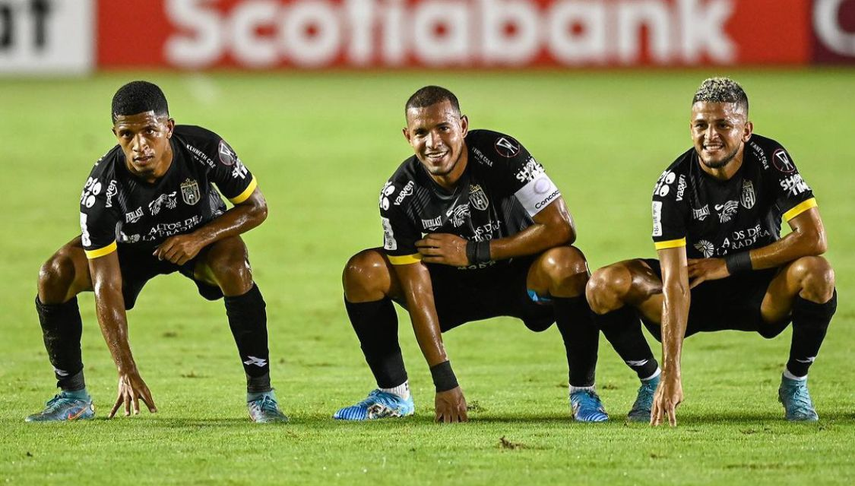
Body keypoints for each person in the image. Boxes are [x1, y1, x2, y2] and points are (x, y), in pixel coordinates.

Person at [335, 85, 606, 423]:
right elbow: (417, 290)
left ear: (462, 126)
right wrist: (444, 381)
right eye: (421, 132)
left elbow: (562, 227)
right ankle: (393, 396)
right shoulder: (398, 194)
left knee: (568, 263)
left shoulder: (501, 153)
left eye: (443, 128)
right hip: (450, 291)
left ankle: (583, 393)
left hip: (519, 276)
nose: (433, 142)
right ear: (408, 136)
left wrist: (473, 251)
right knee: (364, 271)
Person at [27, 81, 288, 423]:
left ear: (168, 127)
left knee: (235, 266)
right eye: (127, 134)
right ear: (115, 134)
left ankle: (261, 396)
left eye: (150, 130)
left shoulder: (203, 148)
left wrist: (198, 238)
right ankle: (72, 396)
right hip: (130, 249)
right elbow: (107, 285)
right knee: (54, 273)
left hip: (199, 240)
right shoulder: (102, 191)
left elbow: (256, 208)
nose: (139, 145)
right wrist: (125, 368)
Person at [586, 77, 836, 426]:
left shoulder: (770, 160)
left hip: (761, 291)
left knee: (818, 273)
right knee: (603, 284)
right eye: (701, 125)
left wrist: (729, 264)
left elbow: (813, 238)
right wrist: (672, 371)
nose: (710, 135)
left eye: (723, 125)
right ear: (690, 128)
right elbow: (674, 283)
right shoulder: (673, 186)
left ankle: (795, 384)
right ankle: (651, 381)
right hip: (692, 291)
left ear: (746, 130)